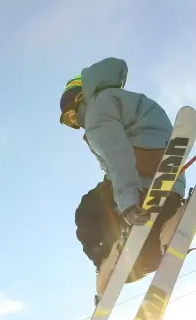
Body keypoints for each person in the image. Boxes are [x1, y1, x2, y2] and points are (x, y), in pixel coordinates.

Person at [59, 57, 186, 298]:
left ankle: (105, 256)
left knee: (88, 210)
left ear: (78, 99)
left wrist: (127, 201)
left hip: (141, 169)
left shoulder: (97, 109)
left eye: (71, 117)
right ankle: (168, 223)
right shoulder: (117, 99)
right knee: (139, 262)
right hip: (165, 178)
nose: (75, 125)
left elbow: (118, 154)